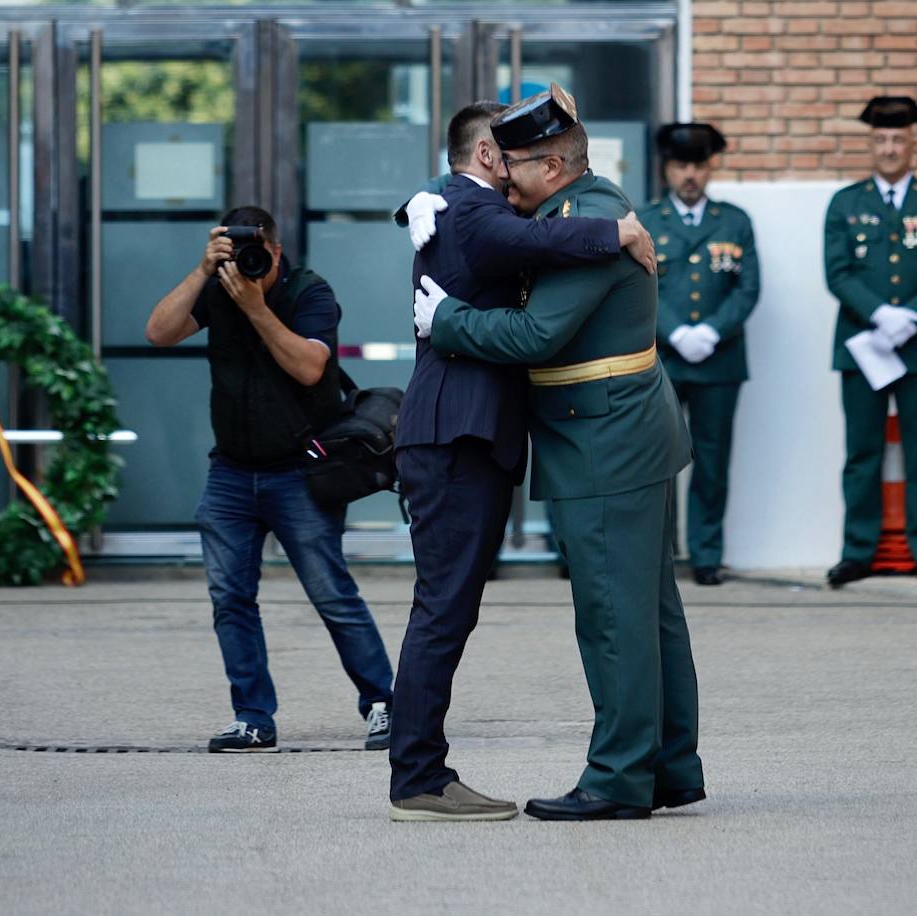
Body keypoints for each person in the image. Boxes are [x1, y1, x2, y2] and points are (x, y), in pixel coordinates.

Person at [415, 86, 706, 821]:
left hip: (603, 440)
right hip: (617, 432)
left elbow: (532, 337)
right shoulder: (581, 212)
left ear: (551, 164)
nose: (502, 177)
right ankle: (668, 765)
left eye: (511, 165)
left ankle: (617, 779)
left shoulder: (587, 221)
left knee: (614, 614)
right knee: (648, 611)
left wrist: (445, 318)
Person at [145, 206, 395, 753]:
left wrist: (256, 309)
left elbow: (310, 366)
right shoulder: (215, 286)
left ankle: (384, 704)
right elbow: (159, 331)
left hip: (299, 471)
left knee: (331, 592)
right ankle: (253, 716)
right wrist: (200, 271)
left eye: (258, 254)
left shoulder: (310, 292)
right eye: (235, 255)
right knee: (230, 597)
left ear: (277, 252)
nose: (249, 265)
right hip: (231, 470)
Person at [823, 96, 917, 589]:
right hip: (862, 346)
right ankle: (857, 552)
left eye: (898, 139)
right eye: (880, 139)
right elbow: (837, 273)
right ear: (870, 144)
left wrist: (911, 317)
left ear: (913, 143)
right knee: (863, 452)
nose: (889, 148)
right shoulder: (846, 202)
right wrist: (880, 314)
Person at [641, 122, 760, 586]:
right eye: (679, 165)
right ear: (666, 169)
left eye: (697, 165)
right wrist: (675, 331)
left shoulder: (735, 222)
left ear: (710, 167)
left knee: (713, 460)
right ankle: (660, 555)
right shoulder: (647, 220)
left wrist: (711, 329)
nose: (689, 174)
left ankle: (707, 555)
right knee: (658, 461)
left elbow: (748, 288)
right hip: (663, 360)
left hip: (720, 359)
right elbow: (637, 285)